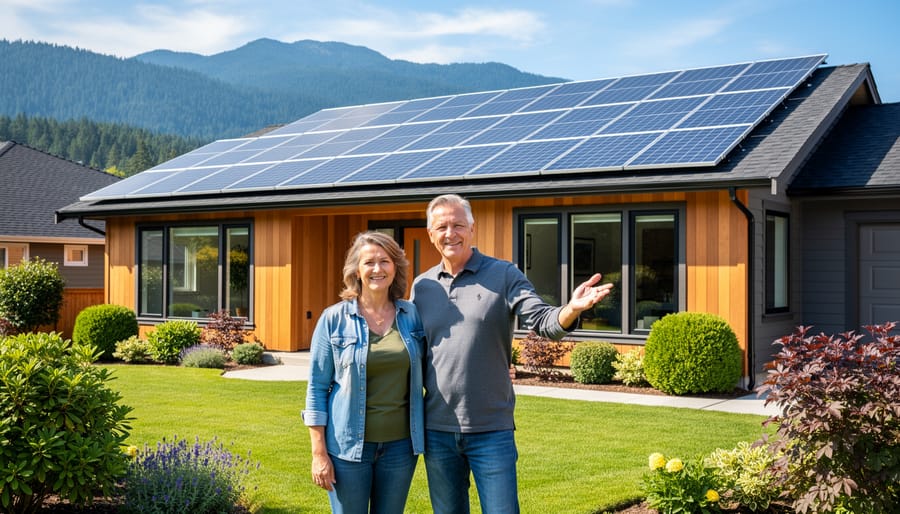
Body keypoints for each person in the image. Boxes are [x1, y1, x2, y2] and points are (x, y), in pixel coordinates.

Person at [411, 193, 613, 514]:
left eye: (458, 225)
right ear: (430, 233)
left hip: (491, 429)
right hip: (437, 429)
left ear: (472, 228)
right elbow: (416, 352)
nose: (451, 233)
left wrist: (571, 308)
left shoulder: (504, 275)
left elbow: (544, 321)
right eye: (442, 226)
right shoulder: (422, 287)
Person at [302, 231, 426, 514]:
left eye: (385, 261)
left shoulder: (412, 316)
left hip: (400, 449)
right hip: (347, 450)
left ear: (395, 267)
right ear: (356, 270)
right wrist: (318, 452)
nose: (377, 269)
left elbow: (438, 364)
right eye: (369, 262)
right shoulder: (333, 319)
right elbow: (316, 388)